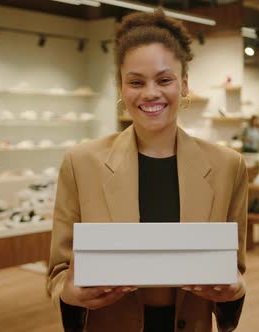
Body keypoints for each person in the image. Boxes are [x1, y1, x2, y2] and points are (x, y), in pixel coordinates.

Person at [47, 10, 248, 332]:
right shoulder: (81, 163)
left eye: (164, 80)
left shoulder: (228, 166)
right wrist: (69, 294)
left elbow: (234, 269)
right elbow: (59, 271)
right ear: (121, 87)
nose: (150, 93)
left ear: (184, 85)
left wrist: (234, 290)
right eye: (136, 82)